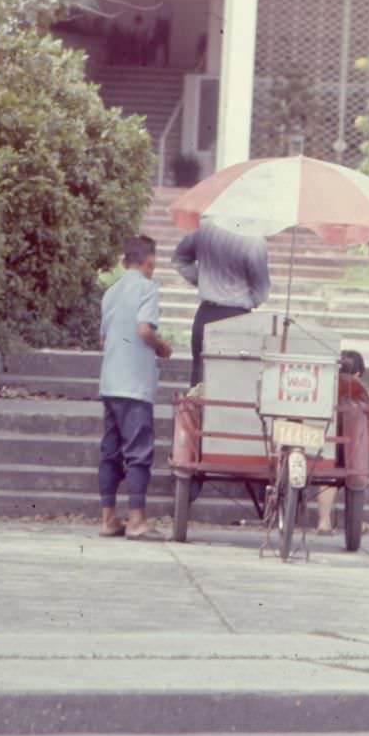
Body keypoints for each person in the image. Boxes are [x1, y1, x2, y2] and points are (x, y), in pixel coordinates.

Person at [98, 236, 172, 540]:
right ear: (149, 262)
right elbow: (144, 329)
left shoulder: (110, 293)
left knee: (110, 452)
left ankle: (108, 519)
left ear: (122, 260)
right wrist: (162, 347)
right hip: (135, 384)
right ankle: (137, 520)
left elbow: (102, 340)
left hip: (110, 382)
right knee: (138, 452)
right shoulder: (147, 288)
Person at [172, 218, 271, 388]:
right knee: (234, 380)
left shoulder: (204, 228)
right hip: (238, 318)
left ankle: (197, 415)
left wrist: (201, 280)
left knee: (200, 380)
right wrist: (249, 299)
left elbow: (180, 259)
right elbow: (261, 291)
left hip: (206, 314)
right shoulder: (254, 240)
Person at [316, 349, 369, 536]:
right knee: (344, 467)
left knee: (327, 466)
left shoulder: (323, 387)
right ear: (357, 374)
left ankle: (324, 521)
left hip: (317, 443)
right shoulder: (357, 394)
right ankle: (334, 522)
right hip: (346, 449)